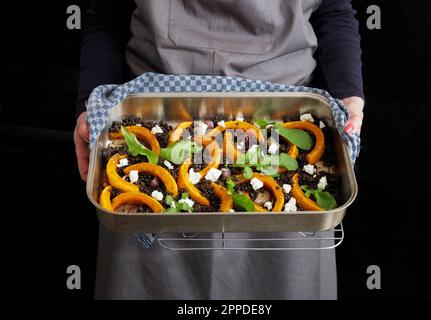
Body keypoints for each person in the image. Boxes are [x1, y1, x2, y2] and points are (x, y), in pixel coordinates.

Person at [74, 0, 364, 299]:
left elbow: (333, 10)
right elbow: (108, 13)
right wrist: (92, 106)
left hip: (280, 131)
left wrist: (350, 96)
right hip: (159, 127)